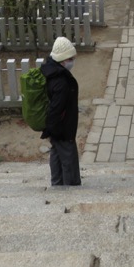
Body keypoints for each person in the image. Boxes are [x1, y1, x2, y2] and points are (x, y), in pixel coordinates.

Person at [41, 36, 82, 186]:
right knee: (69, 163)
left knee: (56, 157)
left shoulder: (51, 72)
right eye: (71, 58)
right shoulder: (61, 82)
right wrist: (56, 131)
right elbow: (55, 109)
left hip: (56, 130)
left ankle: (57, 187)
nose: (73, 61)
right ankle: (70, 193)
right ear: (63, 59)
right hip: (63, 131)